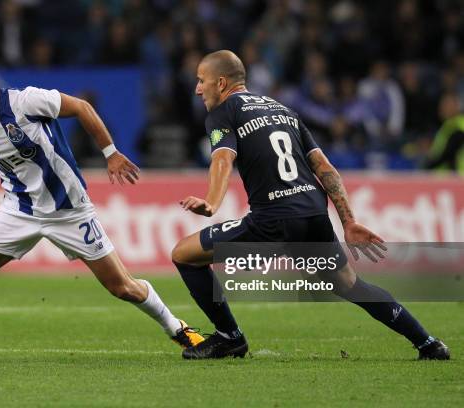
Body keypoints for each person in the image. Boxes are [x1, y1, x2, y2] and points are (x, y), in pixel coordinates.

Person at [0, 56, 204, 362]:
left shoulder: (26, 102)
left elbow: (82, 108)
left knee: (123, 287)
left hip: (69, 210)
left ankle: (178, 329)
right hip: (18, 211)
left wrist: (110, 153)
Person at [171, 50, 450, 360]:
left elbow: (223, 157)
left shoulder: (223, 113)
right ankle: (428, 343)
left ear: (221, 83)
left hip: (273, 220)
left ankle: (229, 337)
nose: (197, 89)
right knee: (351, 285)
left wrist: (211, 202)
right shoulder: (284, 111)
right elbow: (324, 167)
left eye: (201, 81)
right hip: (314, 214)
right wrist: (348, 221)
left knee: (184, 254)